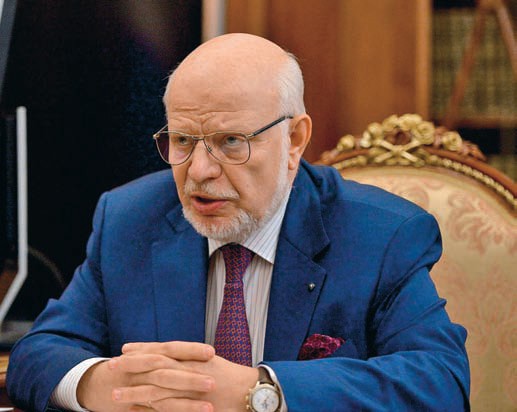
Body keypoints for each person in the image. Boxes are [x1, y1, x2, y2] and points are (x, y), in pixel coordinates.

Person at [6, 33, 470, 411]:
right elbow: (37, 353)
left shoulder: (381, 235)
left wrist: (261, 391)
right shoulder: (130, 219)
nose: (199, 171)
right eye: (182, 140)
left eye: (230, 141)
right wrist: (101, 384)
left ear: (294, 140)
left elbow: (441, 383)